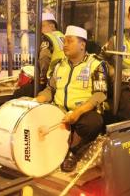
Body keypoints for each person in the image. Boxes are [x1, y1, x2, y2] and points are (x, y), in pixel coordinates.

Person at [35, 25, 108, 172]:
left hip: (81, 114)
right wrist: (36, 101)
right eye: (64, 41)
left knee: (94, 122)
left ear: (82, 45)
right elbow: (50, 89)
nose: (65, 45)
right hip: (59, 112)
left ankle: (72, 151)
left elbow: (100, 94)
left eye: (69, 41)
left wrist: (78, 112)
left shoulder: (96, 64)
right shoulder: (59, 66)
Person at [13, 12, 65, 97]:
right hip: (64, 77)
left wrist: (43, 77)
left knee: (19, 93)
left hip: (51, 79)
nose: (40, 30)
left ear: (52, 26)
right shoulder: (64, 37)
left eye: (43, 26)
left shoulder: (47, 38)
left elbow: (44, 58)